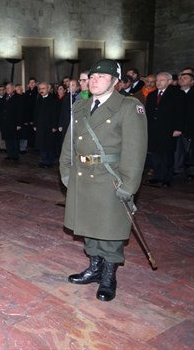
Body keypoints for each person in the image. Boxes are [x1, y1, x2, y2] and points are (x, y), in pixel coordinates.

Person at [60, 59, 147, 302]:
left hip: (110, 178)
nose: (94, 80)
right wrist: (65, 170)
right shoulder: (81, 107)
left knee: (110, 230)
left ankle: (109, 276)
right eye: (92, 76)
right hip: (82, 176)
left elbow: (135, 150)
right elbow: (70, 142)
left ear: (115, 81)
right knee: (89, 225)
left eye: (102, 76)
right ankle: (94, 267)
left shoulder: (129, 107)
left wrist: (128, 185)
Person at [145, 72, 185, 187]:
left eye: (162, 80)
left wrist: (178, 128)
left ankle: (166, 178)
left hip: (169, 129)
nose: (158, 82)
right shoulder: (152, 95)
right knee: (155, 154)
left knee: (167, 154)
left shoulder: (177, 94)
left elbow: (180, 112)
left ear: (169, 81)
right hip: (154, 129)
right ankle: (158, 176)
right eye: (157, 80)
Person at [33, 82, 59, 168]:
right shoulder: (38, 99)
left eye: (43, 88)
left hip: (49, 126)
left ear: (48, 89)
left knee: (49, 144)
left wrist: (54, 126)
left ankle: (49, 162)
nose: (41, 90)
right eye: (40, 89)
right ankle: (43, 160)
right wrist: (35, 124)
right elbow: (35, 113)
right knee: (41, 143)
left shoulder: (53, 99)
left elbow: (55, 114)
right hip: (40, 125)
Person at [1, 83, 24, 161]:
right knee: (8, 139)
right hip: (6, 123)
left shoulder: (18, 97)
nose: (7, 89)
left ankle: (15, 155)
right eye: (6, 88)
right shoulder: (5, 97)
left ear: (13, 88)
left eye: (9, 88)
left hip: (14, 122)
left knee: (14, 139)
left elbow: (20, 111)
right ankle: (9, 154)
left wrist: (19, 123)